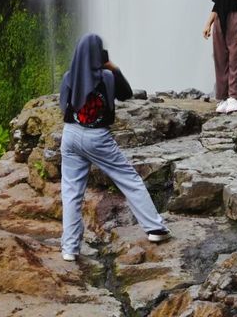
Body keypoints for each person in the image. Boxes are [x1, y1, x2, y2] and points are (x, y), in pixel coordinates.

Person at [59, 33, 170, 261]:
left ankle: (70, 248)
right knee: (129, 179)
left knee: (71, 193)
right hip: (98, 137)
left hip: (70, 135)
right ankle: (155, 229)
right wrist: (113, 66)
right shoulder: (108, 77)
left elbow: (64, 106)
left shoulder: (69, 77)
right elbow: (126, 94)